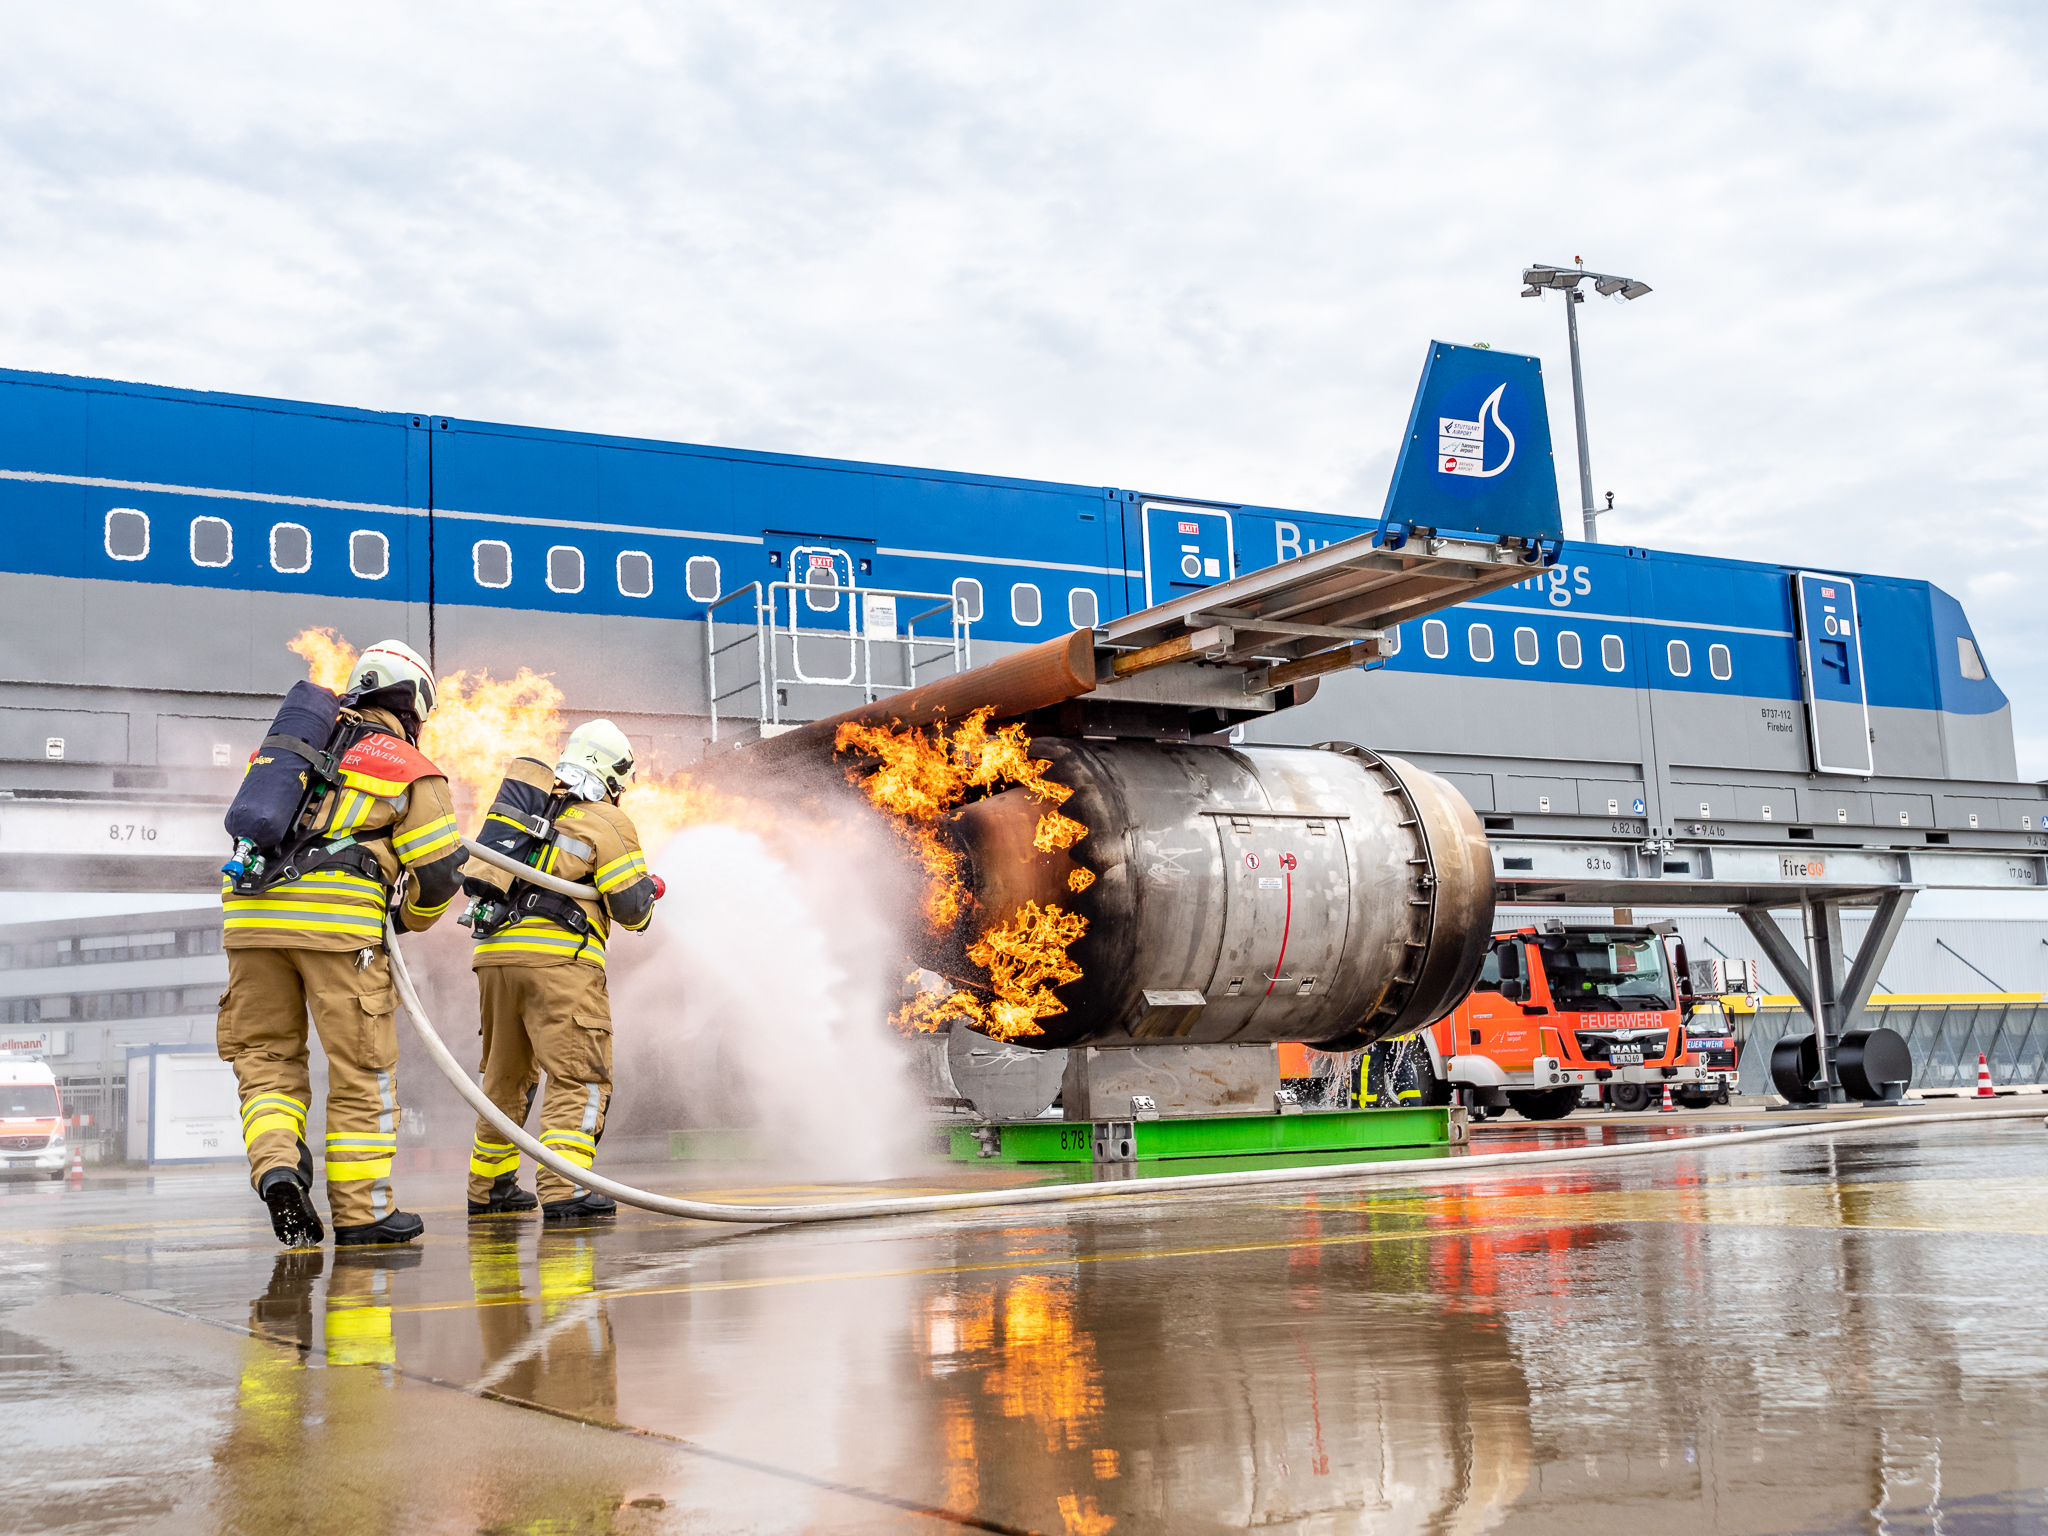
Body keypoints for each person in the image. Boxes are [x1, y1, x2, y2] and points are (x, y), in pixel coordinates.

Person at [217, 640, 464, 1248]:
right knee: (362, 1070)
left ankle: (277, 1166)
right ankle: (363, 1213)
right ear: (414, 702)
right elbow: (439, 874)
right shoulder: (408, 765)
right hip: (338, 934)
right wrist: (405, 920)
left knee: (268, 1062)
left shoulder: (288, 751)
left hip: (251, 923)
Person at [462, 719, 662, 1222]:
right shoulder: (607, 821)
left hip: (493, 959)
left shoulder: (527, 810)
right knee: (580, 1077)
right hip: (558, 963)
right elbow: (632, 910)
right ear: (612, 777)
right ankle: (565, 1188)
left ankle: (490, 1187)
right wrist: (650, 890)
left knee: (505, 1078)